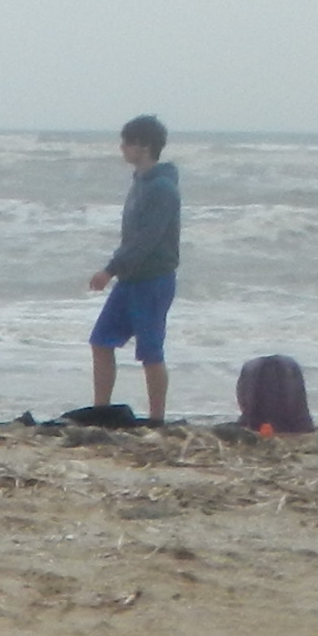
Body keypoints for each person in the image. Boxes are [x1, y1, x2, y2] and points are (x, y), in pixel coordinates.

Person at [85, 115, 180, 422]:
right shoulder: (140, 182)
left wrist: (110, 270)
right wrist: (119, 270)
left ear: (144, 146)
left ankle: (157, 419)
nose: (122, 148)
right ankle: (100, 411)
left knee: (150, 352)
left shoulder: (162, 188)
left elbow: (147, 239)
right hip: (130, 279)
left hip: (153, 279)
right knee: (101, 341)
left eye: (127, 143)